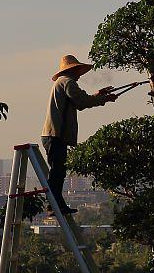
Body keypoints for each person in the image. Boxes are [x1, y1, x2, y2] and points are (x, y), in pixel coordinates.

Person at [40, 54, 117, 215]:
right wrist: (104, 99)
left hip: (53, 134)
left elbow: (79, 100)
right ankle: (54, 205)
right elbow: (82, 103)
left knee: (58, 171)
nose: (80, 74)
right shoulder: (68, 82)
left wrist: (98, 95)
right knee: (57, 172)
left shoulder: (62, 83)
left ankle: (56, 204)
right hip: (56, 135)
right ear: (74, 69)